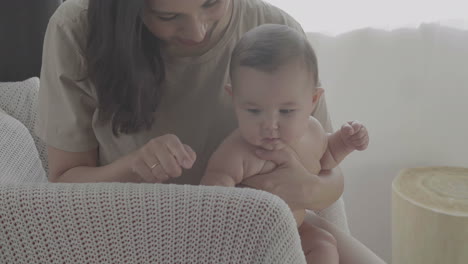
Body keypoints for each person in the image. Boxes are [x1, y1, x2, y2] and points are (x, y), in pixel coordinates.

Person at [36, 0, 386, 263]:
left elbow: (326, 166)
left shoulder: (275, 32)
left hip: (276, 223)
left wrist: (308, 187)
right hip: (144, 230)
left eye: (211, 3)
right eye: (168, 16)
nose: (198, 32)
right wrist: (134, 166)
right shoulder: (78, 28)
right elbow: (64, 183)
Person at [200, 24, 369, 263]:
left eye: (287, 111)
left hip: (295, 229)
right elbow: (212, 195)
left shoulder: (313, 132)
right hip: (251, 240)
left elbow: (327, 159)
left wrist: (344, 142)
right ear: (234, 99)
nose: (270, 124)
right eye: (254, 110)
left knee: (323, 243)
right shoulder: (237, 151)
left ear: (312, 101)